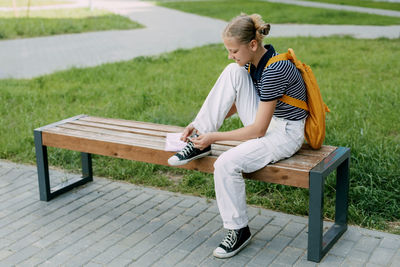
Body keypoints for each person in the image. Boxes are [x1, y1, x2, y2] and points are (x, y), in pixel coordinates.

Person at [168, 13, 307, 259]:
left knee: (225, 163)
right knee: (232, 72)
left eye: (233, 50)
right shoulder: (254, 63)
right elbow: (240, 102)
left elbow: (258, 130)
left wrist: (214, 137)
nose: (231, 55)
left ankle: (238, 230)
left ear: (252, 45)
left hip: (284, 133)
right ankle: (197, 138)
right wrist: (199, 126)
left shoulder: (275, 69)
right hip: (269, 123)